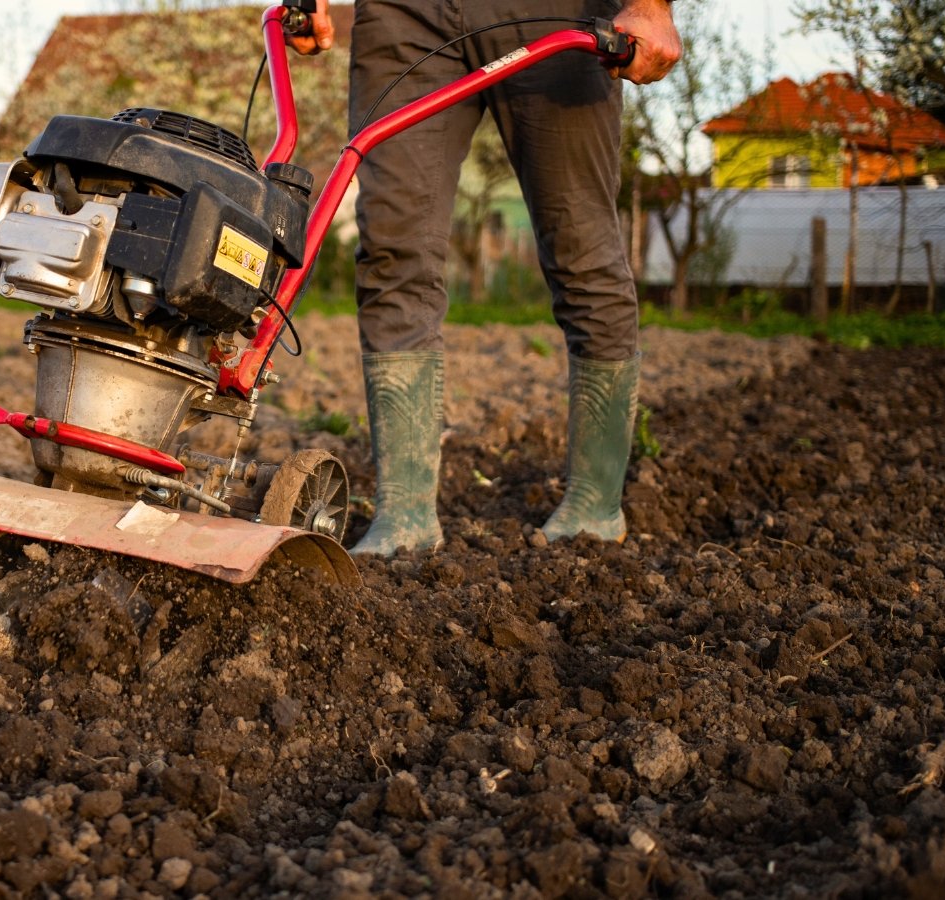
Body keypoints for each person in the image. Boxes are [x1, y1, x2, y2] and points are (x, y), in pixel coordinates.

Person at [289, 0, 681, 555]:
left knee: (580, 247)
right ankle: (405, 519)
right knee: (393, 248)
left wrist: (649, 5)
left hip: (554, 8)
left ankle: (595, 505)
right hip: (405, 14)